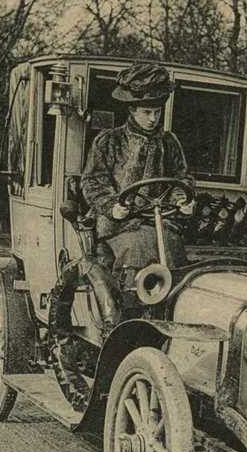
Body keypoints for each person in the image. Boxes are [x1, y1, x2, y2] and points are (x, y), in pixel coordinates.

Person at [81, 63, 194, 290]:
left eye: (157, 112)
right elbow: (92, 181)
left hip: (160, 222)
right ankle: (128, 309)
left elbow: (182, 178)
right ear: (132, 110)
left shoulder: (169, 142)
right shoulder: (109, 140)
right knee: (135, 249)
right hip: (117, 226)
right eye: (146, 112)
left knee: (174, 250)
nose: (153, 118)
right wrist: (112, 206)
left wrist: (183, 198)